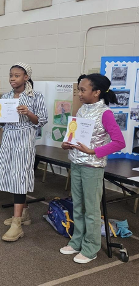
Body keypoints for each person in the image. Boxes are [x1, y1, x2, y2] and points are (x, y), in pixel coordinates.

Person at [60, 74, 126, 264]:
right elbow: (75, 135)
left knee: (91, 209)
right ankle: (77, 241)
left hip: (92, 167)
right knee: (78, 206)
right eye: (79, 89)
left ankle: (91, 248)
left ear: (96, 92)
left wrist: (94, 151)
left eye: (83, 90)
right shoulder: (81, 110)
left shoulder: (105, 113)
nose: (79, 93)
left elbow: (119, 142)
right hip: (77, 163)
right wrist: (67, 144)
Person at [0, 62, 48, 242]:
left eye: (17, 75)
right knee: (12, 175)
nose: (13, 78)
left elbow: (42, 121)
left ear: (26, 77)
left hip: (24, 140)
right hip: (8, 139)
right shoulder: (6, 96)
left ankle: (17, 224)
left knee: (20, 176)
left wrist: (28, 113)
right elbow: (4, 123)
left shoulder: (36, 96)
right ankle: (24, 214)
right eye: (11, 75)